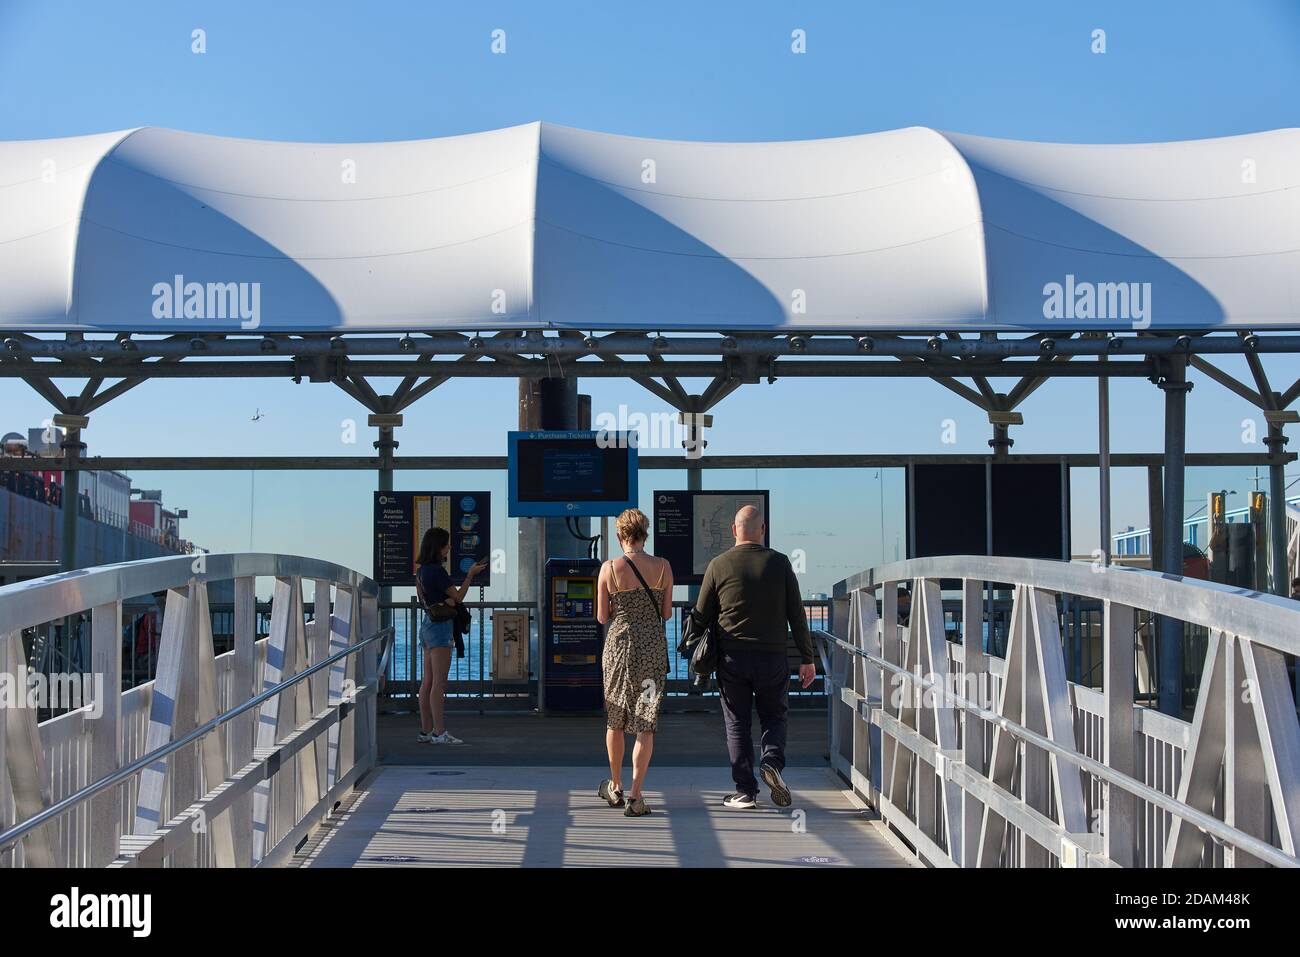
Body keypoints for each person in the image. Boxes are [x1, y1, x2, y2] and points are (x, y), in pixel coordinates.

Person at [689, 505, 814, 810]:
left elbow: (700, 615)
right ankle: (771, 761)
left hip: (731, 659)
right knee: (774, 715)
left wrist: (692, 648)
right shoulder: (781, 563)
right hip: (773, 656)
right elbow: (796, 615)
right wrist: (807, 659)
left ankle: (745, 791)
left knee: (737, 723)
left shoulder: (718, 565)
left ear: (734, 530)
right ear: (763, 529)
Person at [595, 508, 672, 817]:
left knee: (615, 717)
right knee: (645, 721)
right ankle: (636, 796)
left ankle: (615, 786)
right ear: (646, 534)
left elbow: (602, 616)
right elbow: (666, 613)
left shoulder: (608, 569)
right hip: (652, 648)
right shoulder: (664, 567)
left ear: (619, 536)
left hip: (618, 649)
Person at [415, 527, 486, 745]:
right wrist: (470, 575)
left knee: (427, 682)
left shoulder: (421, 571)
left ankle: (426, 731)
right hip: (441, 628)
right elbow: (459, 596)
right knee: (439, 684)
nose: (449, 548)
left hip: (427, 624)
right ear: (438, 548)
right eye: (446, 544)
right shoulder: (437, 571)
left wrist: (446, 601)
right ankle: (439, 732)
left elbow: (424, 599)